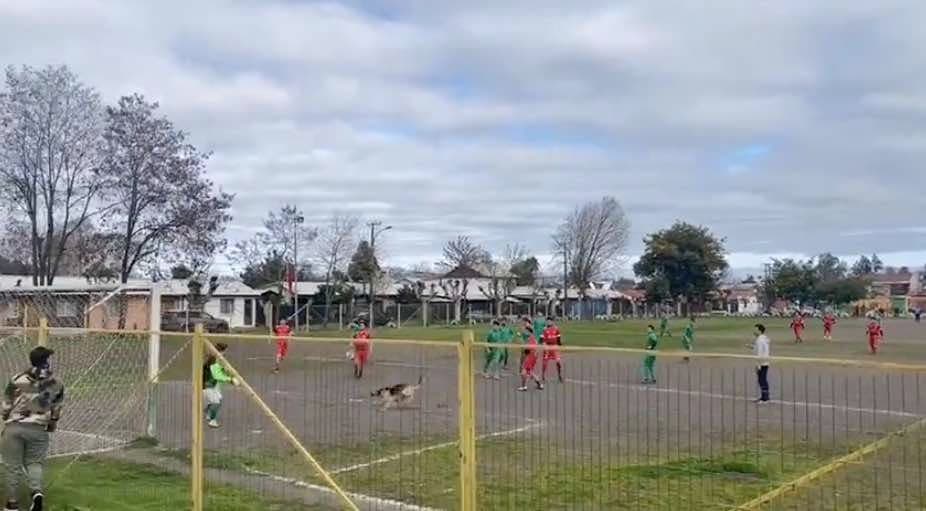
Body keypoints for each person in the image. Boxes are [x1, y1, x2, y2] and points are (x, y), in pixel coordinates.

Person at [1, 346, 64, 511]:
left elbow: (6, 404)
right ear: (47, 362)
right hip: (38, 428)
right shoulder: (57, 383)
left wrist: (6, 416)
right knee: (34, 463)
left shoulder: (17, 379)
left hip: (14, 427)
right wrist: (52, 424)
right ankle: (36, 493)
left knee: (12, 466)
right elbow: (56, 409)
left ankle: (12, 503)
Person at [203, 342, 238, 428]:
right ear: (221, 351)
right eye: (224, 351)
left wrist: (226, 372)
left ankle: (208, 412)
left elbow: (219, 371)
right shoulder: (213, 360)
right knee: (216, 402)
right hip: (207, 385)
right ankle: (212, 421)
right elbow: (217, 375)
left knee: (219, 399)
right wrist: (230, 380)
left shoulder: (215, 358)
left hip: (212, 384)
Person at [518, 325, 543, 391]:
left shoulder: (530, 339)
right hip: (533, 357)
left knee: (523, 371)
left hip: (530, 357)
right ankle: (540, 385)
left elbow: (527, 350)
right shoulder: (532, 338)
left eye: (525, 331)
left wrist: (520, 340)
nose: (524, 332)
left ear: (528, 331)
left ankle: (524, 386)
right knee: (530, 372)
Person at [751, 324, 771, 403]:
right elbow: (761, 348)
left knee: (762, 380)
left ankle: (765, 398)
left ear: (759, 330)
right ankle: (764, 396)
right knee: (762, 380)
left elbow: (759, 353)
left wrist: (758, 365)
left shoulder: (759, 340)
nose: (753, 331)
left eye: (755, 329)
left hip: (762, 362)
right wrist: (751, 347)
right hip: (765, 361)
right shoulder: (764, 338)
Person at [541, 317, 563, 383]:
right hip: (547, 347)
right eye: (547, 321)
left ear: (552, 322)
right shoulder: (544, 329)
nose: (548, 322)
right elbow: (542, 339)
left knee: (558, 362)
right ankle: (543, 375)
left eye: (550, 321)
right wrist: (544, 345)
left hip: (554, 347)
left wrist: (559, 345)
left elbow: (558, 338)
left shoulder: (556, 329)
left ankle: (559, 375)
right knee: (545, 363)